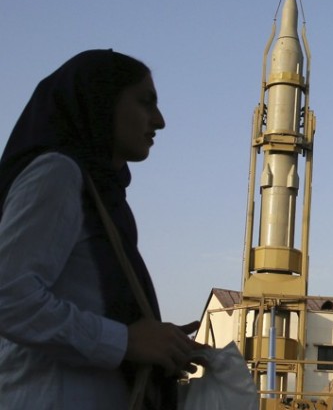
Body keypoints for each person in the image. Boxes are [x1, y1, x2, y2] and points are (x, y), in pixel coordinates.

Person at [0, 50, 205, 409]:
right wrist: (124, 341)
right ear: (101, 102)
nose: (159, 121)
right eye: (145, 103)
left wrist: (158, 342)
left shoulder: (104, 197)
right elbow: (8, 296)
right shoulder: (57, 173)